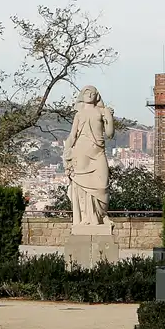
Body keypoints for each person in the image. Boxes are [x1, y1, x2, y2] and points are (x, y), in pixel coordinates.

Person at [63, 85, 115, 225]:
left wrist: (109, 118)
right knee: (82, 185)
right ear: (82, 95)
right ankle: (87, 217)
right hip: (81, 152)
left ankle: (101, 215)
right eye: (86, 92)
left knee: (102, 185)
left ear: (97, 96)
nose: (89, 94)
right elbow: (72, 135)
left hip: (98, 152)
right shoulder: (79, 114)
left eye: (92, 92)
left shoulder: (102, 111)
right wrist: (66, 152)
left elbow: (110, 134)